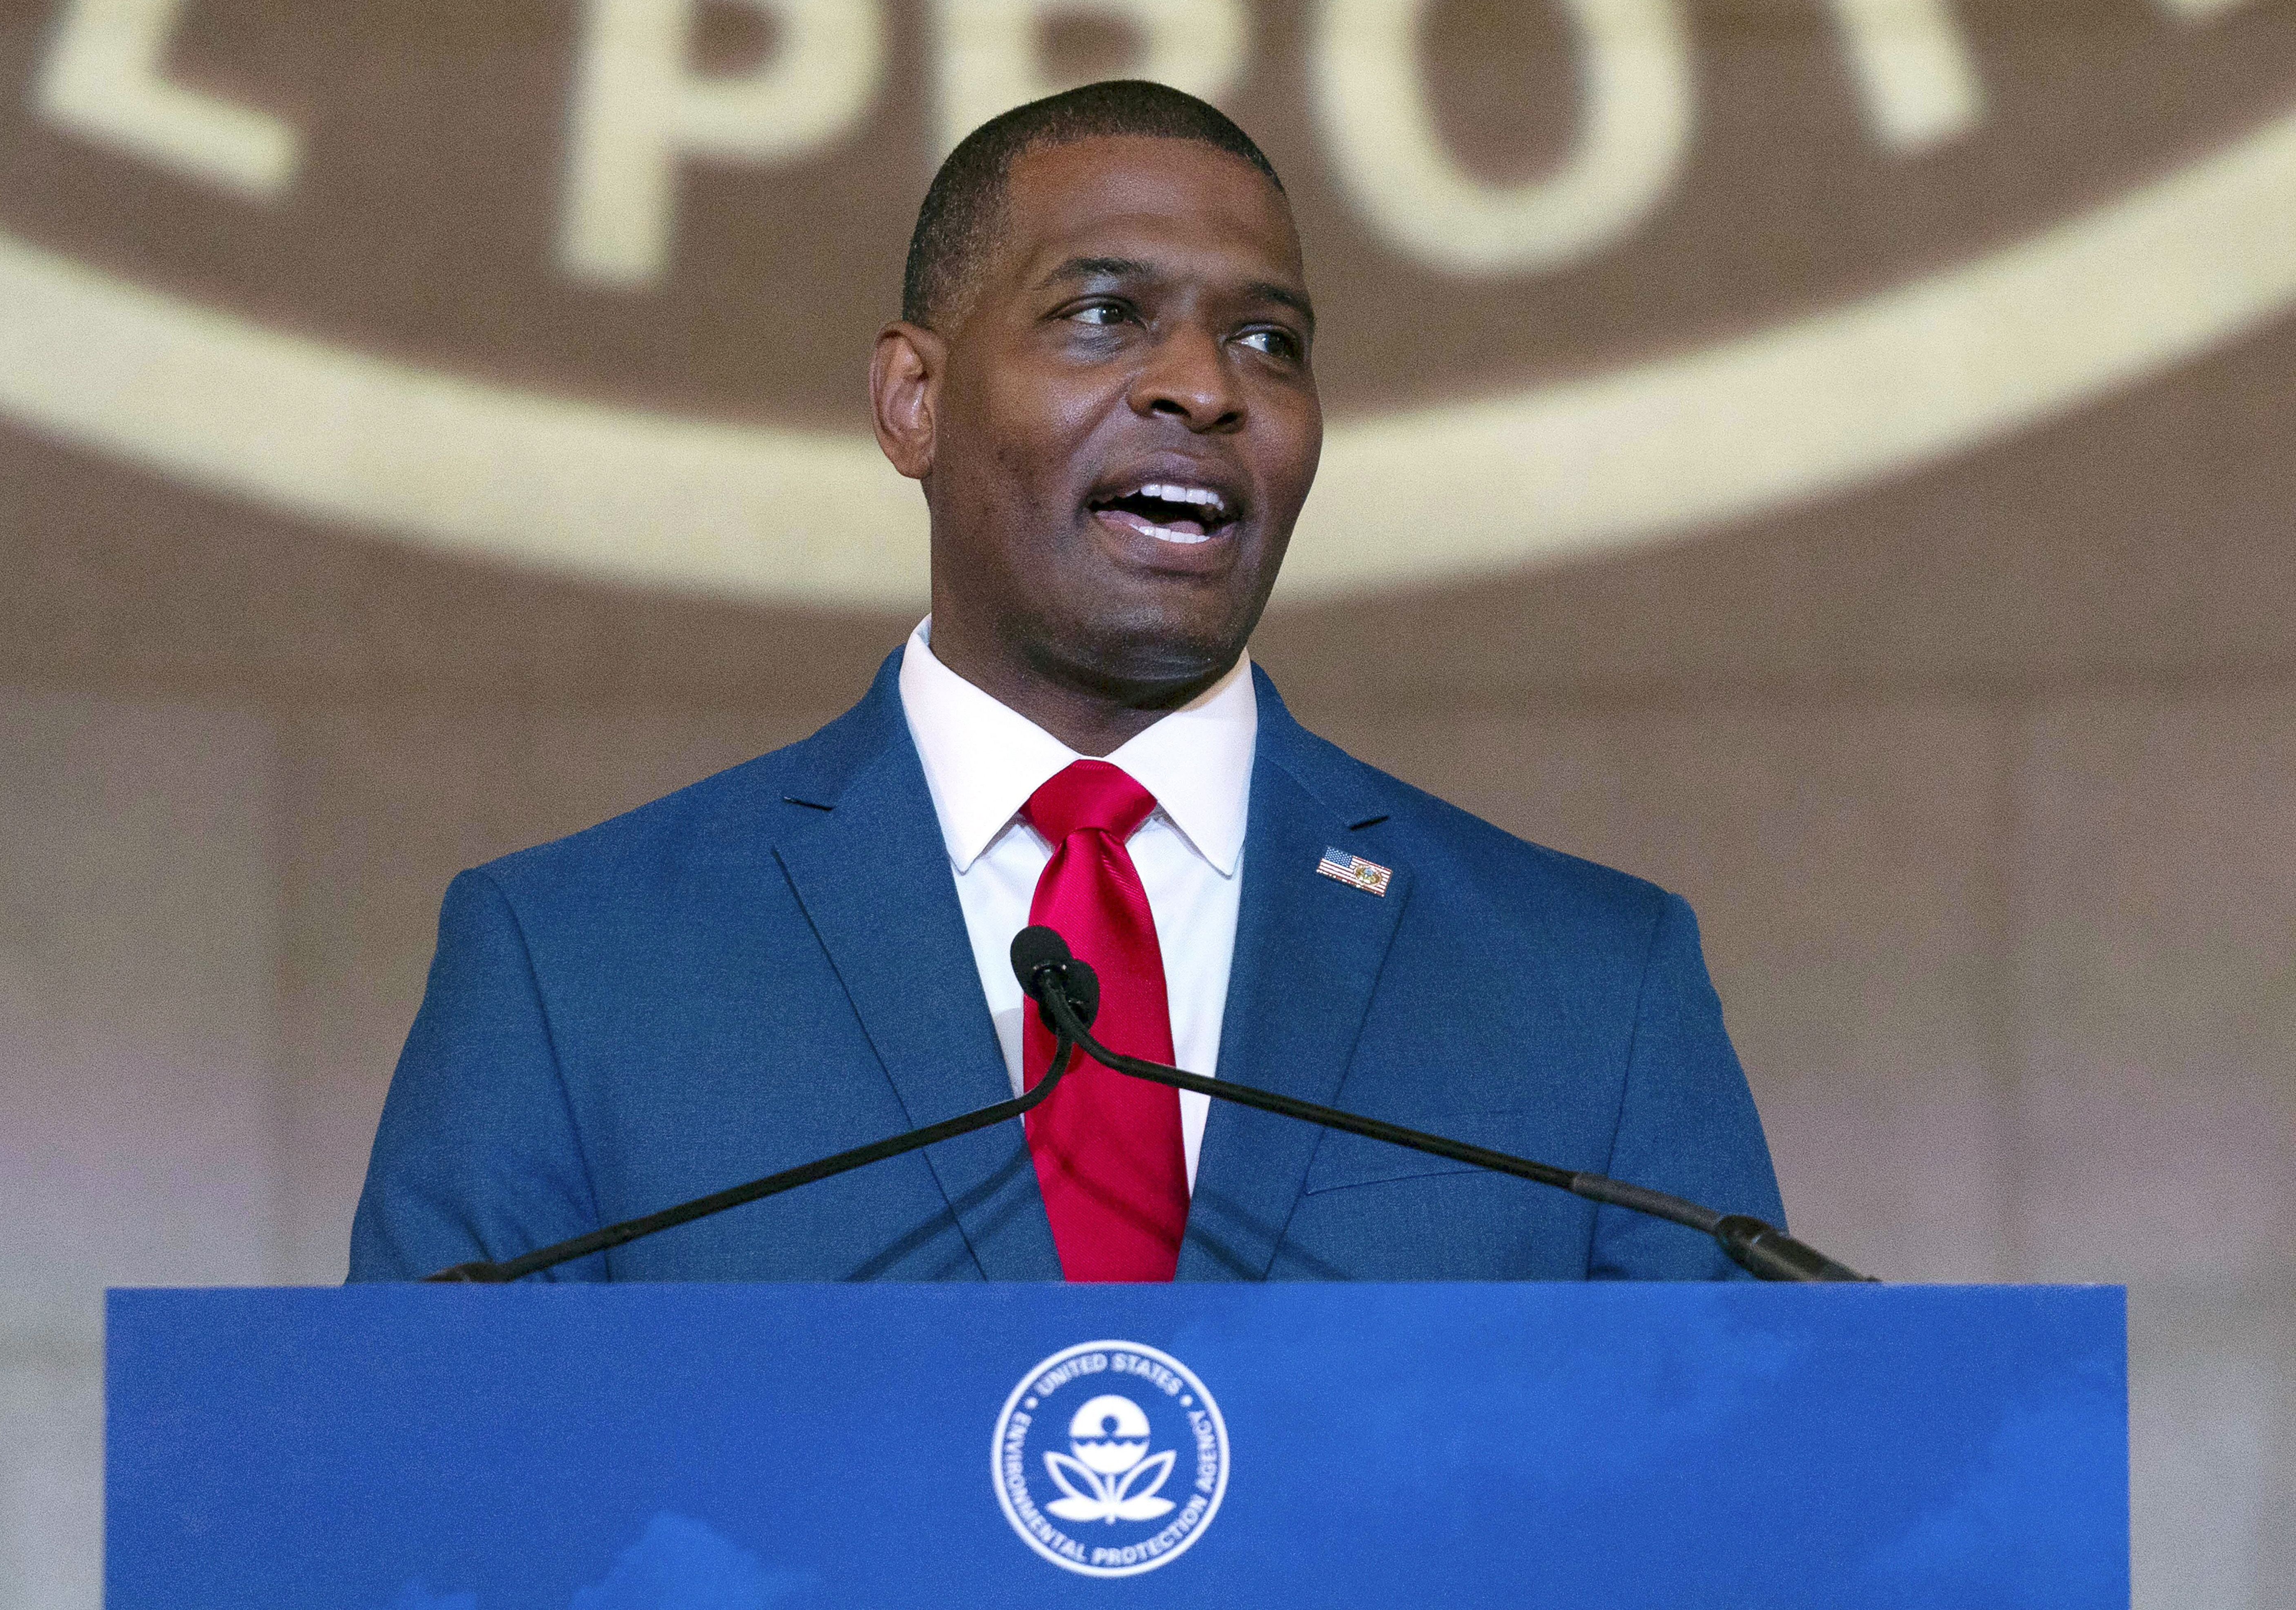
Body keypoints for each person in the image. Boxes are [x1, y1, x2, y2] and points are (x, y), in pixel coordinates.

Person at [349, 82, 1782, 1284]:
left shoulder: (1591, 986)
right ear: (913, 399)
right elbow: (412, 1515)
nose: (1203, 387)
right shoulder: (573, 964)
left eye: (1266, 342)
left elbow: (1737, 1511)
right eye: (1103, 315)